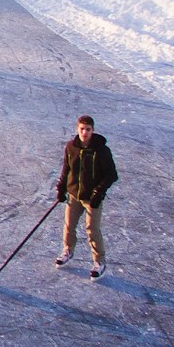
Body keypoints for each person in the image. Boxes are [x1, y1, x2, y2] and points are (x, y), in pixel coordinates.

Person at [55, 114, 119, 279]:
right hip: (74, 194)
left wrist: (99, 192)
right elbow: (66, 169)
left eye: (88, 129)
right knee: (69, 224)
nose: (85, 132)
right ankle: (68, 250)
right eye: (82, 129)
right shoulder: (71, 147)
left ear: (93, 130)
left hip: (92, 198)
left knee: (92, 229)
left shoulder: (101, 150)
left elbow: (111, 175)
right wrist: (62, 188)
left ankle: (99, 261)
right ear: (78, 129)